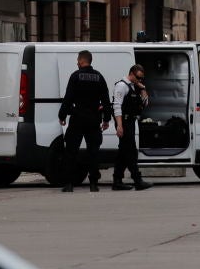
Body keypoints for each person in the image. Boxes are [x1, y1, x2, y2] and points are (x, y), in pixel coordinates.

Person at [58, 50, 112, 193]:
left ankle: (69, 184)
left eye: (78, 60)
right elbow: (106, 100)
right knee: (93, 152)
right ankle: (93, 184)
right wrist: (106, 119)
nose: (77, 62)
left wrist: (62, 116)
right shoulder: (99, 77)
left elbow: (68, 98)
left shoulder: (75, 76)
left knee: (71, 152)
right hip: (94, 120)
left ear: (82, 61)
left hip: (77, 119)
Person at [110, 64, 153, 191]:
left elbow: (145, 103)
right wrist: (119, 126)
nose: (140, 80)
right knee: (131, 152)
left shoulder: (135, 87)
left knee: (123, 153)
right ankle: (137, 180)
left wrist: (143, 88)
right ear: (131, 74)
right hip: (124, 122)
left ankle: (117, 181)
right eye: (138, 78)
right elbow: (116, 107)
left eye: (142, 78)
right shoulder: (121, 86)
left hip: (131, 123)